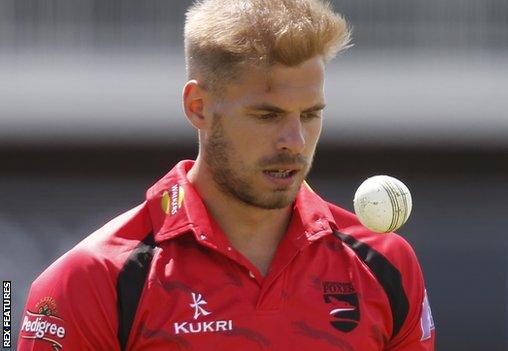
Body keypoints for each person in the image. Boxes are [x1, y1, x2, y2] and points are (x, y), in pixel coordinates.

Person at [18, 0, 435, 350]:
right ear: (198, 106)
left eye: (310, 115)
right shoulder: (92, 278)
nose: (294, 140)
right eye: (267, 115)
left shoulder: (385, 264)